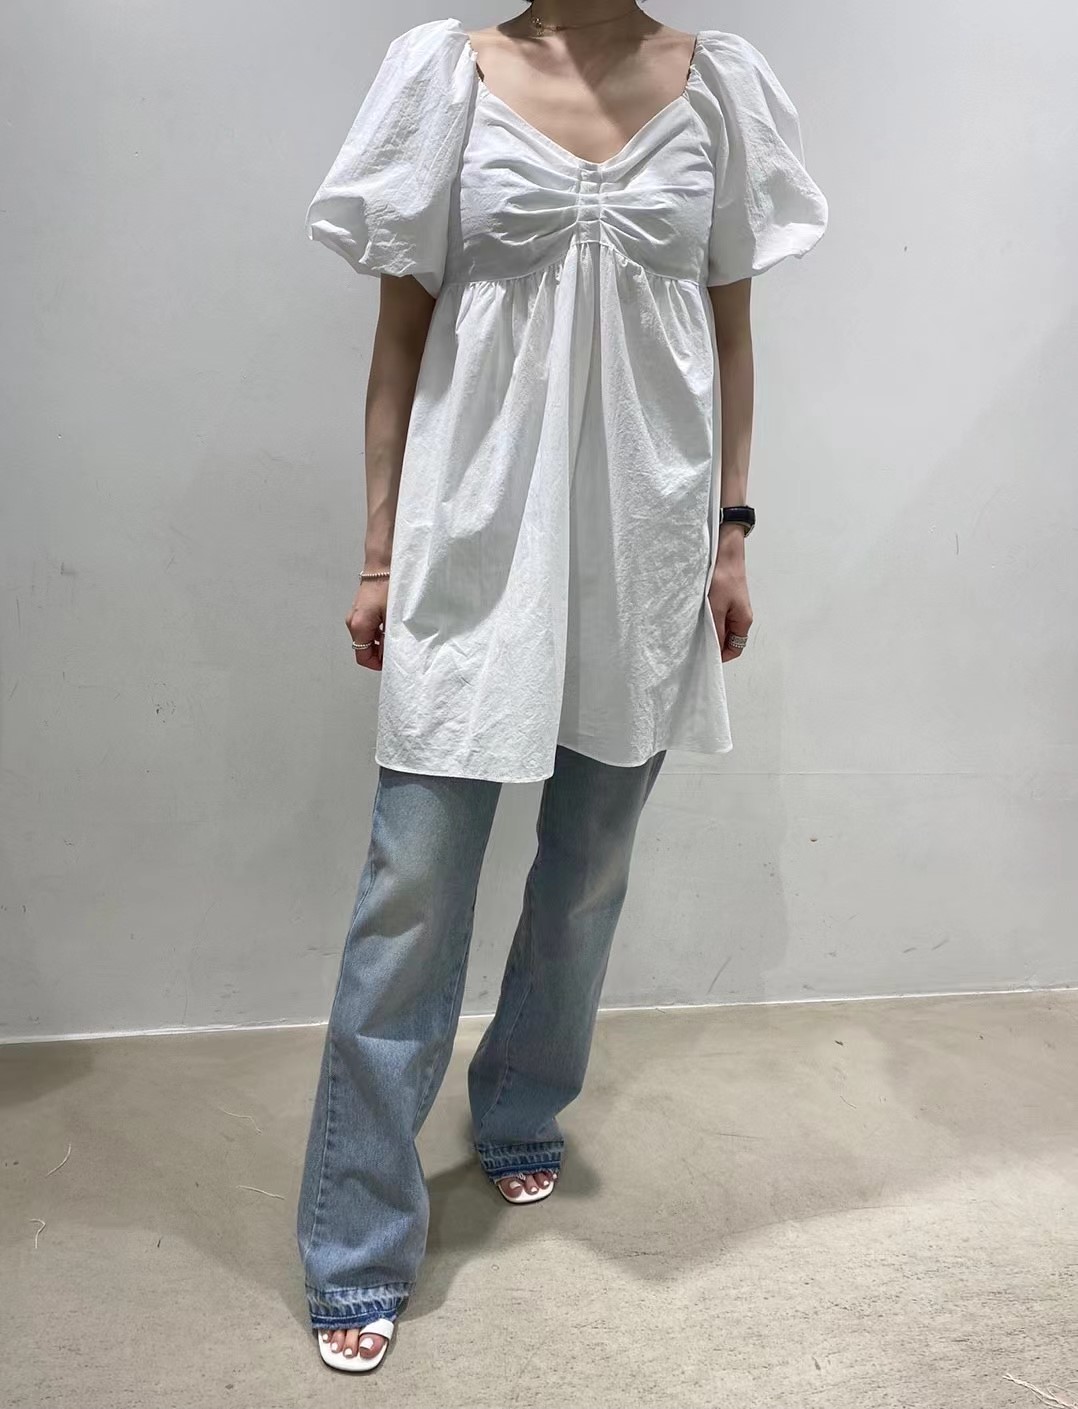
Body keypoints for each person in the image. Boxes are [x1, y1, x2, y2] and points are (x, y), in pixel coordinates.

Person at [297, 2, 827, 1373]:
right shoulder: (445, 74)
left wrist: (730, 533)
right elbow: (398, 338)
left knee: (587, 868)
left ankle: (523, 1104)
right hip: (476, 537)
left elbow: (731, 334)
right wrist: (376, 554)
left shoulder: (718, 88)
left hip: (642, 541)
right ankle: (357, 1240)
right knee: (413, 887)